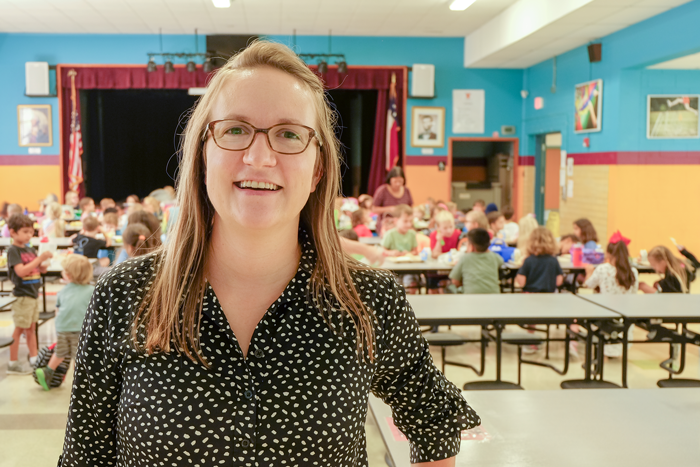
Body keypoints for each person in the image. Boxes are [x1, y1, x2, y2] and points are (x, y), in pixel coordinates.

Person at [58, 41, 479, 467]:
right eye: (235, 129)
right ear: (204, 154)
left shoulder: (369, 301)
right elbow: (85, 455)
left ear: (317, 169)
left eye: (290, 134)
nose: (259, 157)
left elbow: (434, 415)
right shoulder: (124, 295)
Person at [34, 255, 94, 390]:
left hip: (62, 327)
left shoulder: (62, 291)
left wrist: (60, 327)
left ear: (67, 275)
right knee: (77, 355)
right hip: (79, 328)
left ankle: (47, 371)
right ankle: (80, 382)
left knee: (60, 352)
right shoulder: (91, 291)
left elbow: (57, 310)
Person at [6, 214, 52, 375]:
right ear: (13, 232)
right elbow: (21, 272)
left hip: (33, 295)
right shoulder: (13, 250)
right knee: (20, 329)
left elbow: (38, 269)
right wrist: (39, 259)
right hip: (22, 296)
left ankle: (34, 359)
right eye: (25, 231)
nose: (29, 235)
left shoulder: (30, 248)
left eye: (31, 231)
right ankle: (12, 362)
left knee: (31, 328)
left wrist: (44, 264)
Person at [584, 238, 638, 357]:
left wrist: (589, 271)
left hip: (604, 314)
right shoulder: (633, 271)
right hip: (625, 317)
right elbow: (634, 292)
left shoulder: (602, 269)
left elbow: (588, 284)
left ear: (608, 253)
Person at [449, 228, 503, 294]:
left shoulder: (465, 258)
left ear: (471, 246)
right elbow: (501, 262)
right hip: (494, 296)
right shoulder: (494, 257)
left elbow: (455, 281)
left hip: (472, 296)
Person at [515, 227, 563, 293]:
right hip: (549, 295)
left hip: (530, 295)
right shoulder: (553, 260)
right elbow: (558, 281)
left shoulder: (528, 260)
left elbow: (522, 282)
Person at [372, 166, 413, 233]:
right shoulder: (382, 190)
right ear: (390, 180)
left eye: (400, 181)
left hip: (403, 224)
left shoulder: (406, 191)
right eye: (395, 181)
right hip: (386, 224)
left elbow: (410, 207)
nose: (397, 184)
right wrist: (390, 209)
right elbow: (373, 209)